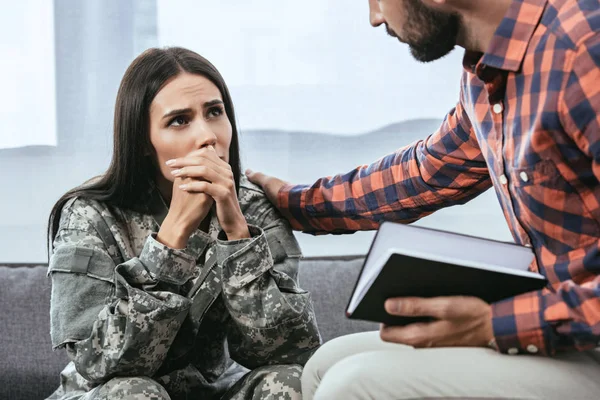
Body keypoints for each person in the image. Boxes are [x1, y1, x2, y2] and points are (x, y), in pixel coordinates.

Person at [245, 0, 600, 398]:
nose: (374, 17)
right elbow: (424, 173)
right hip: (568, 330)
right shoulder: (489, 73)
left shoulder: (584, 50)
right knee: (325, 367)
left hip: (583, 334)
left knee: (352, 386)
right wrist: (291, 202)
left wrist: (493, 324)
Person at [46, 47, 320, 400]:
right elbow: (96, 363)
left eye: (215, 112)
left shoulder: (253, 209)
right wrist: (171, 239)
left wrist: (238, 234)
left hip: (215, 390)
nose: (207, 136)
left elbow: (292, 353)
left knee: (291, 382)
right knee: (134, 392)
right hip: (111, 393)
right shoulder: (88, 215)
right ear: (143, 140)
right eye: (179, 120)